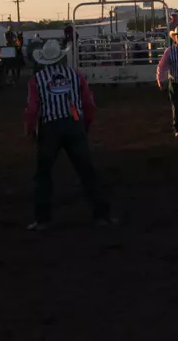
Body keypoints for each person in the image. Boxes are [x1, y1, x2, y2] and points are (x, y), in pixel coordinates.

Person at [24, 39, 112, 230]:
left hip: (50, 128)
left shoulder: (36, 80)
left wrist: (30, 130)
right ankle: (102, 215)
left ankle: (42, 219)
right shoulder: (75, 76)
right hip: (74, 125)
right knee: (87, 171)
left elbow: (32, 110)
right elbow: (88, 103)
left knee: (43, 174)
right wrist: (84, 125)